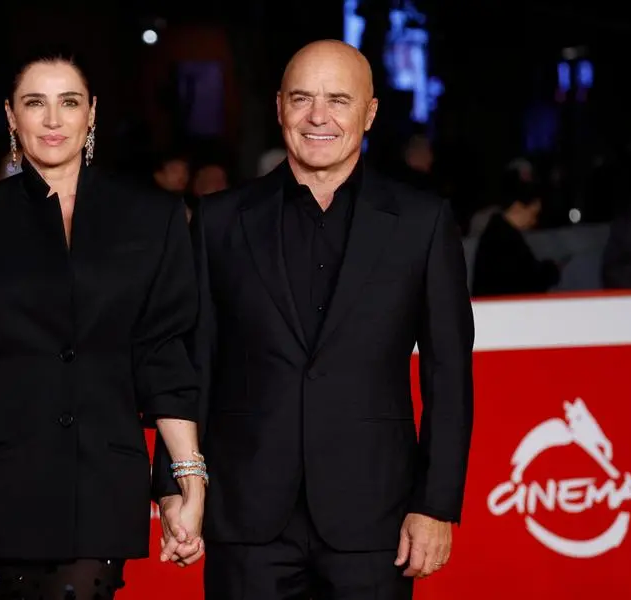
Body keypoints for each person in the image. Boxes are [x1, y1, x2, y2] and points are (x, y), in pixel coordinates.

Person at [154, 40, 475, 599]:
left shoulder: (422, 222)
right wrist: (174, 485)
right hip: (246, 516)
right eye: (302, 98)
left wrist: (436, 504)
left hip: (376, 518)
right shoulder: (219, 220)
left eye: (338, 100)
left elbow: (448, 376)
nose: (318, 116)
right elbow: (191, 361)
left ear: (370, 112)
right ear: (279, 107)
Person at [0, 50, 206, 600]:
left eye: (68, 102)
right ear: (11, 116)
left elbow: (164, 355)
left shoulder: (151, 216)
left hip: (103, 474)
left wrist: (188, 482)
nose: (53, 120)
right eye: (35, 103)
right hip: (1, 477)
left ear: (91, 113)